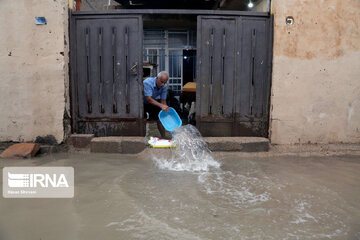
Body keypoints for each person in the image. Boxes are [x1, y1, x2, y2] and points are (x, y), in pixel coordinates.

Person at [143, 71, 170, 138]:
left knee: (160, 119)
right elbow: (148, 99)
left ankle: (164, 137)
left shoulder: (164, 87)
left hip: (154, 101)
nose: (163, 84)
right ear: (157, 78)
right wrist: (161, 105)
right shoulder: (148, 82)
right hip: (143, 102)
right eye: (161, 82)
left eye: (165, 82)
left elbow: (163, 100)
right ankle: (142, 138)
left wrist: (165, 111)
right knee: (143, 120)